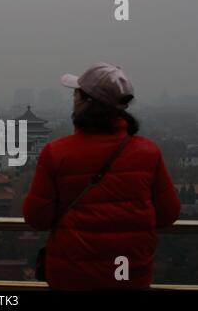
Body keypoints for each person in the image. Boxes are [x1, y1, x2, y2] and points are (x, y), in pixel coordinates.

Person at [23, 62, 181, 290]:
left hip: (72, 275)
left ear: (85, 102)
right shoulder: (148, 152)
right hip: (128, 275)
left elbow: (37, 218)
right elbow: (168, 214)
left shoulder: (56, 153)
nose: (73, 99)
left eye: (76, 94)